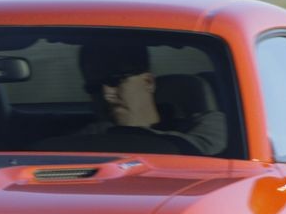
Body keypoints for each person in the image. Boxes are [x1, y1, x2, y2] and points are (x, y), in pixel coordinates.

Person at [76, 42, 228, 155]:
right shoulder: (86, 138)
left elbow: (199, 151)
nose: (106, 95)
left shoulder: (208, 125)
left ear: (148, 82)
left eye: (115, 81)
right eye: (94, 88)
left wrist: (115, 135)